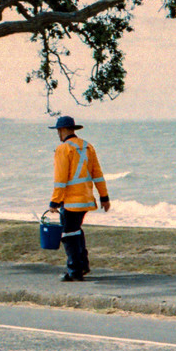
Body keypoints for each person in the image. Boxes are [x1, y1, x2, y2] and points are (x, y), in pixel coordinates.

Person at [48, 116, 110, 281]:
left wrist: (54, 202)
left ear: (63, 130)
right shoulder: (87, 147)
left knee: (68, 234)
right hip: (86, 198)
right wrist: (104, 197)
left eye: (58, 131)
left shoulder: (63, 149)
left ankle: (75, 271)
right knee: (76, 230)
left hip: (71, 201)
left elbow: (60, 179)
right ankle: (82, 266)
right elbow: (98, 174)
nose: (58, 134)